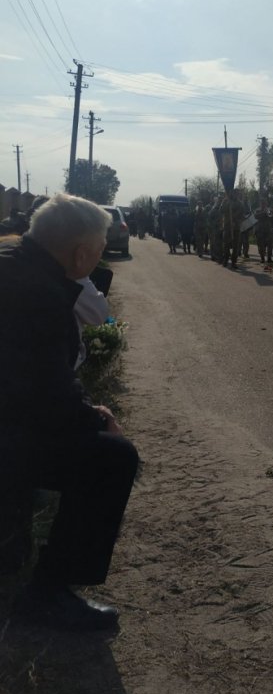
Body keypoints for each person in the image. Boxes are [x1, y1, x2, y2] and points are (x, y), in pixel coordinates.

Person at [0, 194, 139, 631]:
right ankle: (48, 596)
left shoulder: (13, 258)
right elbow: (43, 396)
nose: (98, 259)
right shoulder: (39, 293)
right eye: (98, 250)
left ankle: (13, 537)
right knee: (113, 459)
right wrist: (98, 419)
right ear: (81, 253)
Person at [219, 189, 245, 269]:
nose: (236, 195)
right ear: (232, 193)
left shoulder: (240, 203)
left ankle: (234, 262)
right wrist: (226, 203)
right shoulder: (226, 201)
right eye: (235, 193)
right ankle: (225, 260)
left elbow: (242, 215)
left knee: (236, 246)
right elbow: (221, 210)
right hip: (227, 226)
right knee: (226, 244)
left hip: (236, 227)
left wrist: (236, 220)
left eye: (237, 193)